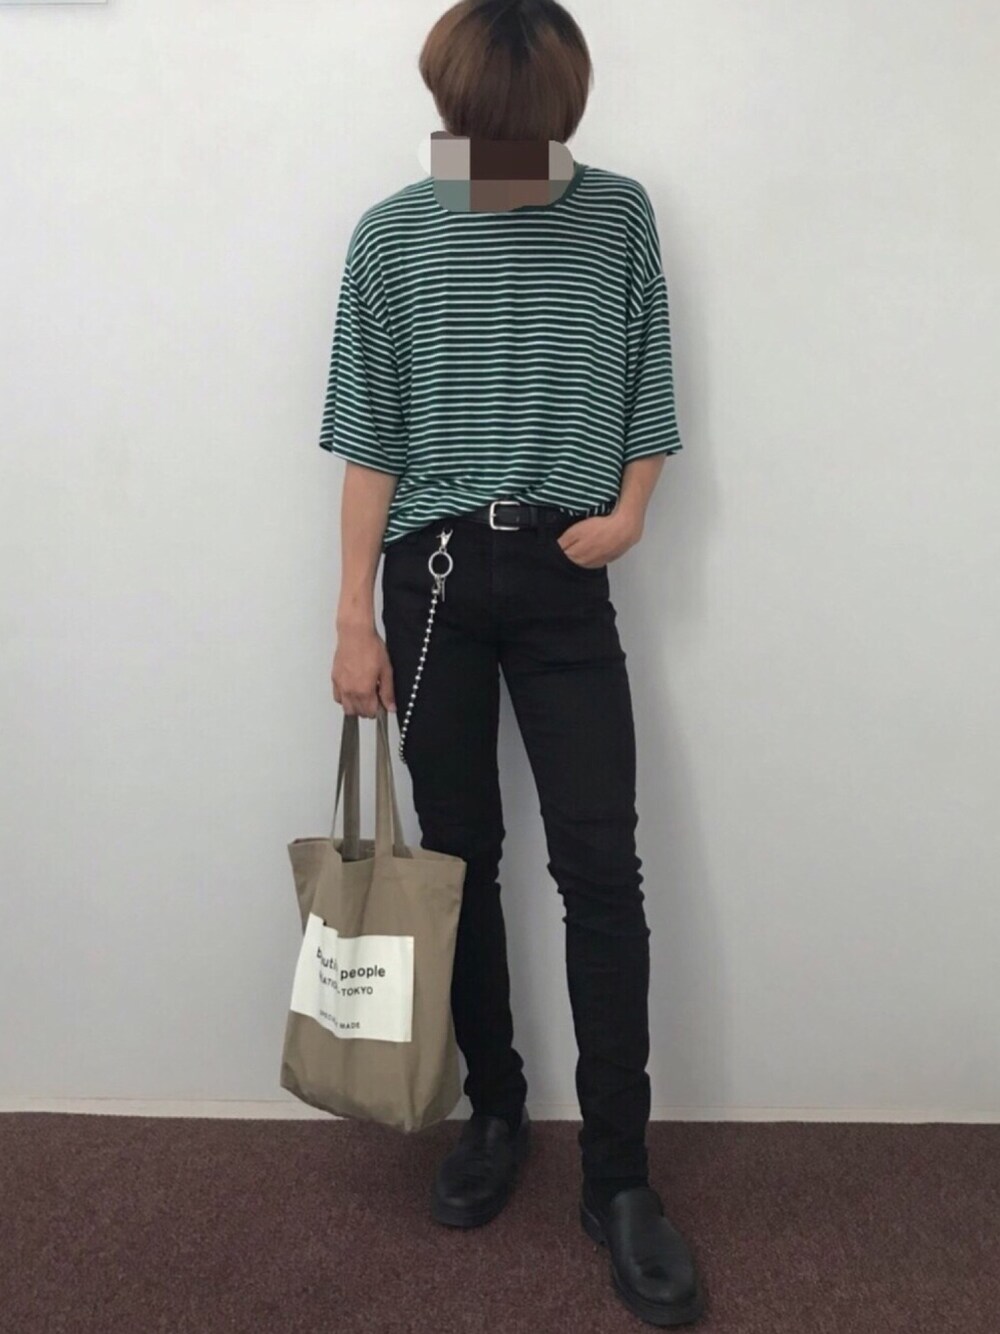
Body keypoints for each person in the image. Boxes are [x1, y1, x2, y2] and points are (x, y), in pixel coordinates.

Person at [321, 0, 703, 1324]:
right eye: (484, 133)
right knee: (458, 859)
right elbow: (369, 432)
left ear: (561, 114)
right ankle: (496, 1108)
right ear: (454, 110)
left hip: (562, 572)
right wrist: (352, 615)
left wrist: (632, 511)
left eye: (525, 136)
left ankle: (620, 1176)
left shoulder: (619, 216)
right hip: (429, 581)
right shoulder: (391, 234)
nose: (504, 160)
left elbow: (649, 384)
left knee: (602, 867)